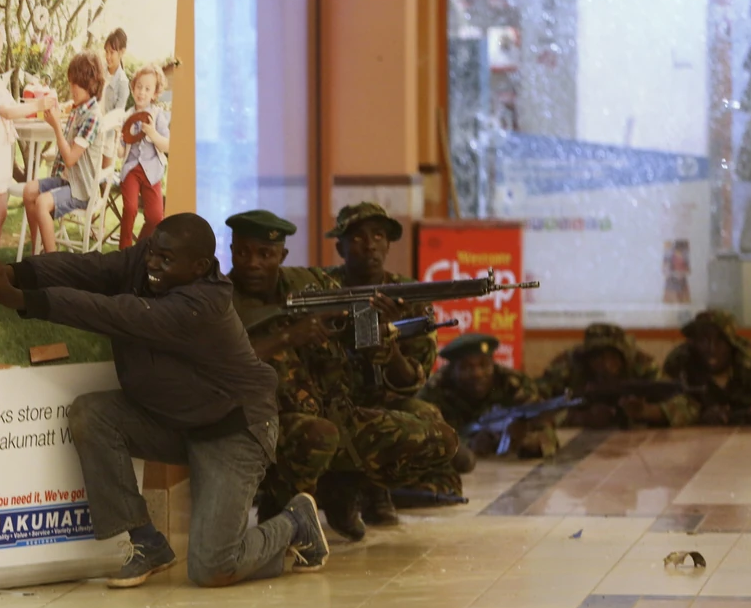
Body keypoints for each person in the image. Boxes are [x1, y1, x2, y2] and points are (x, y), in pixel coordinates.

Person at [0, 213, 330, 589]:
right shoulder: (146, 263)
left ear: (199, 267)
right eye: (152, 252)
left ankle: (296, 522)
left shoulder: (201, 306)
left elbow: (114, 313)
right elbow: (89, 268)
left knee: (213, 567)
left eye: (166, 260)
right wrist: (15, 272)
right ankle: (146, 543)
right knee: (93, 414)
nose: (152, 263)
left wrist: (21, 299)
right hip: (177, 419)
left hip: (233, 428)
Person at [226, 210, 459, 540]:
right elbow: (222, 363)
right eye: (243, 252)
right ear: (231, 249)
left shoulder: (312, 284)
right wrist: (289, 336)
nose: (252, 263)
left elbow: (358, 345)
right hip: (266, 428)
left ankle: (346, 486)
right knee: (319, 434)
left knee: (441, 439)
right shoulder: (218, 300)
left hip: (338, 414)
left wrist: (377, 328)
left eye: (265, 254)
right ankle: (280, 505)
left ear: (282, 255)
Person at [324, 202, 462, 514]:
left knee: (431, 422)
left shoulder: (409, 297)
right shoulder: (323, 289)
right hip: (330, 402)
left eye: (378, 235)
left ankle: (378, 485)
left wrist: (389, 346)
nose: (370, 244)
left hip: (384, 402)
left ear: (388, 244)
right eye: (358, 237)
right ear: (340, 246)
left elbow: (413, 379)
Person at [0, 23, 55, 256]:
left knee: (1, 215)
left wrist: (39, 99)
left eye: (0, 52)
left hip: (1, 158)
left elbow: (15, 105)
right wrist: (37, 104)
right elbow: (6, 112)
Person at [418, 334, 558, 467]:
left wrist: (532, 444)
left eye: (484, 365)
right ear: (452, 370)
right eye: (466, 367)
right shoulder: (435, 389)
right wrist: (467, 444)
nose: (477, 373)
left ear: (493, 364)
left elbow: (545, 423)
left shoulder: (512, 383)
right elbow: (419, 435)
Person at [23, 51, 105, 254]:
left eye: (75, 83)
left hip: (82, 190)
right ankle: (37, 253)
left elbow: (70, 158)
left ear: (89, 84)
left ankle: (52, 266)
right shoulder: (79, 110)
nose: (71, 88)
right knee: (29, 190)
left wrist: (56, 127)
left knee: (42, 203)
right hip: (68, 181)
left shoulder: (92, 117)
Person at [537, 323, 694, 428]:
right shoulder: (568, 366)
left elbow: (687, 404)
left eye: (612, 356)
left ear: (624, 357)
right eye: (598, 357)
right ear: (587, 357)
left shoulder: (641, 365)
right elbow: (532, 404)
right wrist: (579, 418)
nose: (606, 365)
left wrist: (649, 412)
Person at [663, 309, 751, 426]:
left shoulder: (749, 359)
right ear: (693, 342)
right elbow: (666, 405)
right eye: (704, 339)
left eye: (720, 340)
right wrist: (699, 415)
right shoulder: (680, 361)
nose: (711, 348)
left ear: (732, 343)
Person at [118, 64, 170, 249]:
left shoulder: (157, 116)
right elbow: (121, 152)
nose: (142, 92)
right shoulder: (126, 117)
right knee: (130, 208)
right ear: (133, 88)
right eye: (139, 86)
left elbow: (167, 145)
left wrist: (153, 133)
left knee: (156, 217)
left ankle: (139, 249)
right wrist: (118, 138)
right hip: (131, 168)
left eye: (147, 89)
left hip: (152, 170)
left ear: (154, 94)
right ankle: (123, 252)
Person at [102, 28, 130, 113]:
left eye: (111, 52)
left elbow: (117, 116)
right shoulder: (100, 72)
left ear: (122, 52)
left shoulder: (123, 82)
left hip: (107, 125)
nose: (108, 56)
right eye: (106, 52)